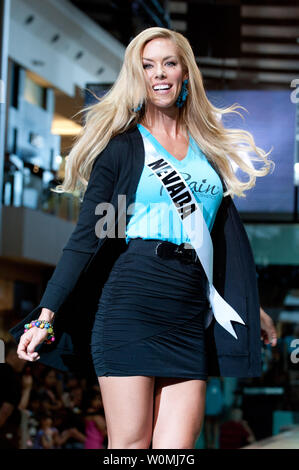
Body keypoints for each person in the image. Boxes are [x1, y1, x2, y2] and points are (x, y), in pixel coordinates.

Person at [11, 26, 278, 449]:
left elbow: (221, 244)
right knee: (131, 446)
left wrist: (252, 306)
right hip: (130, 299)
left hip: (189, 310)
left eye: (169, 63)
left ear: (185, 72)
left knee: (178, 449)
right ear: (138, 77)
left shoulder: (207, 153)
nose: (159, 73)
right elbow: (86, 237)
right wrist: (46, 314)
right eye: (147, 65)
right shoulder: (122, 148)